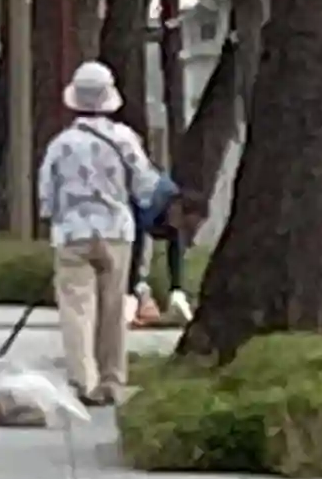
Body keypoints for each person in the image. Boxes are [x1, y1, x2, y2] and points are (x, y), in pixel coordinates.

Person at [37, 61, 164, 408]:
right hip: (116, 232)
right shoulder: (125, 138)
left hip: (72, 233)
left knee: (77, 308)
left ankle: (83, 381)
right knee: (113, 307)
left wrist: (58, 215)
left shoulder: (61, 144)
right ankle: (112, 380)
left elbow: (46, 196)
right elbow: (145, 186)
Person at [127, 187, 209, 326]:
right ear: (176, 209)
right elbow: (136, 246)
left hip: (150, 214)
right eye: (183, 224)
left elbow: (175, 250)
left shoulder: (174, 221)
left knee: (174, 239)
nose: (181, 228)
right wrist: (132, 287)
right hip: (124, 211)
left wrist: (177, 289)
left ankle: (168, 295)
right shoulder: (151, 206)